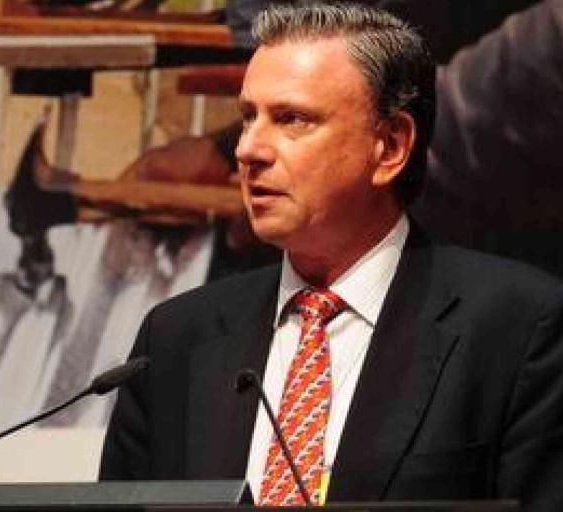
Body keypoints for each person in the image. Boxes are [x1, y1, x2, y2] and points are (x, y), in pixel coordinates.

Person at [99, 3, 563, 511]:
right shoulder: (174, 340)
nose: (248, 150)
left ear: (390, 146)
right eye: (248, 118)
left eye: (291, 119)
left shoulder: (517, 328)